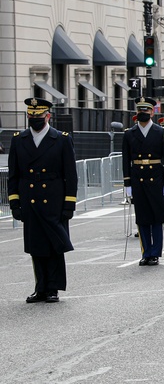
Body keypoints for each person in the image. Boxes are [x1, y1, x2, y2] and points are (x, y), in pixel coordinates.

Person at [8, 98, 77, 303]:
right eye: (31, 116)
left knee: (55, 245)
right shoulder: (19, 139)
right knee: (36, 246)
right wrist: (14, 202)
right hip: (30, 198)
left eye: (38, 116)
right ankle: (41, 287)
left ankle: (53, 287)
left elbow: (71, 175)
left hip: (54, 199)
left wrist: (69, 203)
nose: (34, 119)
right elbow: (14, 175)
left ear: (48, 116)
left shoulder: (62, 139)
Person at [122, 98, 164, 266]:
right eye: (140, 111)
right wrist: (128, 184)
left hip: (156, 178)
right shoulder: (129, 134)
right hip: (138, 178)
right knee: (142, 217)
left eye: (146, 111)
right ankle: (146, 252)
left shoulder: (161, 132)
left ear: (152, 112)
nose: (143, 113)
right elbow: (126, 160)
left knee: (157, 216)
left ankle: (155, 253)